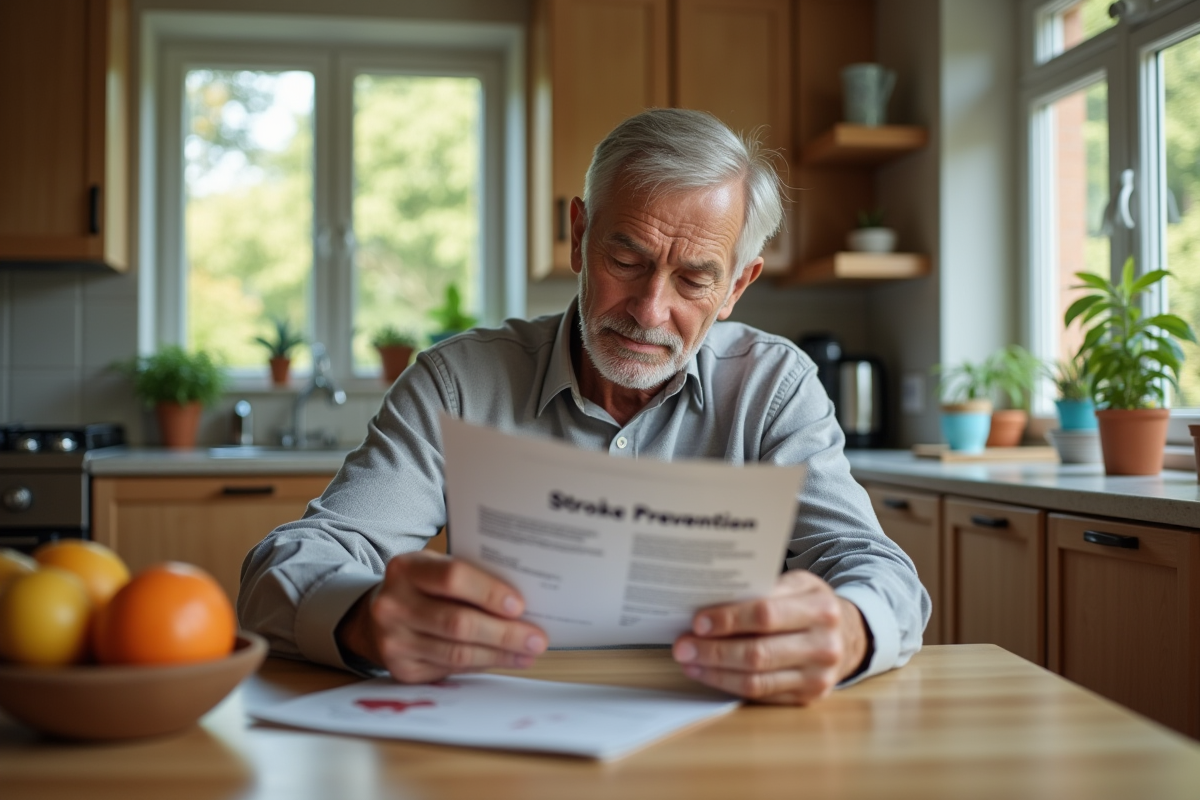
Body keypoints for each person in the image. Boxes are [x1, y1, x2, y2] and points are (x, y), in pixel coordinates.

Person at [239, 108, 929, 706]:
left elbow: (874, 566)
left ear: (736, 288)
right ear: (578, 235)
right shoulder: (458, 383)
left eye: (693, 280)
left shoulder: (773, 386)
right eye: (626, 262)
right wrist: (364, 617)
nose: (649, 310)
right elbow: (284, 567)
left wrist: (849, 630)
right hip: (504, 727)